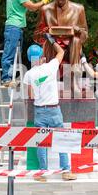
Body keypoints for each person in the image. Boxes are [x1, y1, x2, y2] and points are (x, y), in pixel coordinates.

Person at [23, 35, 77, 182]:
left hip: (39, 111)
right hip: (54, 110)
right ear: (42, 57)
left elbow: (31, 95)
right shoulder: (50, 66)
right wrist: (52, 41)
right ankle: (66, 171)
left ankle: (43, 173)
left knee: (41, 143)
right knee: (61, 139)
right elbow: (61, 53)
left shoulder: (28, 74)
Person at [1, 0, 54, 87]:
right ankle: (6, 79)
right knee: (10, 53)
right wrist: (45, 0)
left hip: (16, 27)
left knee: (16, 53)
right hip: (14, 27)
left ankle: (13, 77)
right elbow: (33, 7)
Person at [33, 0, 88, 67]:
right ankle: (49, 74)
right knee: (48, 40)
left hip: (71, 48)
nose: (60, 1)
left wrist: (79, 31)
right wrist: (44, 32)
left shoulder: (79, 9)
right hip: (52, 47)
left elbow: (85, 36)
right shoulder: (45, 10)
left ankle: (74, 71)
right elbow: (36, 36)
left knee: (76, 41)